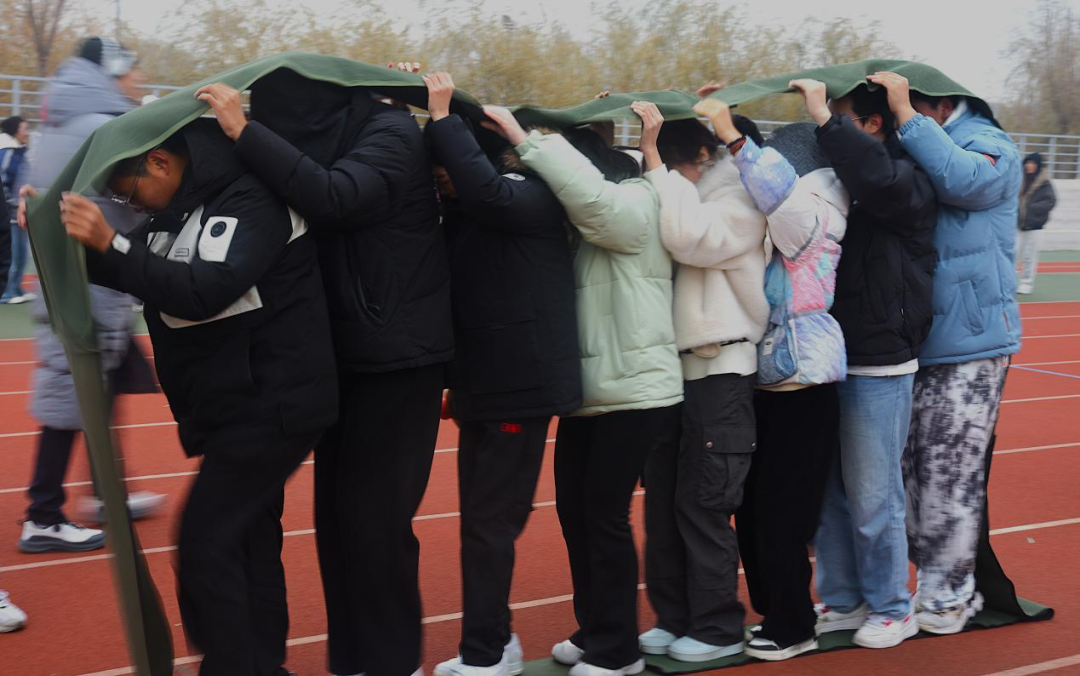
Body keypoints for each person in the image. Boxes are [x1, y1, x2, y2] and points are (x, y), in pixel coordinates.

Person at [49, 118, 338, 675]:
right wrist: (58, 233)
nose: (129, 205)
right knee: (249, 543)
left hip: (275, 402)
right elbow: (137, 269)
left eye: (127, 192)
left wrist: (112, 240)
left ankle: (231, 665)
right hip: (232, 404)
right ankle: (260, 664)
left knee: (206, 544)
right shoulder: (177, 206)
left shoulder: (252, 198)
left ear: (159, 161)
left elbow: (204, 289)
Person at [196, 70, 453, 676]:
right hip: (337, 352)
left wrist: (246, 131)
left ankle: (392, 663)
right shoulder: (320, 137)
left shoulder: (389, 130)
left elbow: (337, 195)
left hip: (400, 357)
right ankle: (355, 660)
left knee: (376, 523)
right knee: (338, 523)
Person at [483, 105, 684, 676]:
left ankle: (619, 652)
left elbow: (598, 206)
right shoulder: (582, 217)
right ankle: (597, 629)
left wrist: (527, 139)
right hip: (592, 389)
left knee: (603, 516)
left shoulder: (637, 200)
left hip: (637, 389)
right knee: (575, 513)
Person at [422, 72, 582, 676]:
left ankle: (488, 653)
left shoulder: (529, 192)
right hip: (484, 387)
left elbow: (488, 193)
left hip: (520, 387)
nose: (440, 175)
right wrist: (409, 103)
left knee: (490, 526)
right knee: (482, 525)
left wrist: (443, 119)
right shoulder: (462, 211)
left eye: (446, 163)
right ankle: (495, 642)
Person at [695, 96, 851, 661]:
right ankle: (775, 612)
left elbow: (776, 189)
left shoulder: (815, 214)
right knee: (755, 506)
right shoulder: (786, 217)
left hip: (805, 382)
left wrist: (733, 135)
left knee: (783, 513)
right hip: (769, 380)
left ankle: (794, 624)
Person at [869, 70, 1022, 635]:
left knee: (949, 470)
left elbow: (964, 181)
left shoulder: (988, 143)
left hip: (973, 339)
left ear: (938, 105)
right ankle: (935, 583)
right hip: (924, 335)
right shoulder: (923, 140)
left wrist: (905, 115)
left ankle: (950, 595)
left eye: (910, 109)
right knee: (914, 469)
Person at [805, 78, 939, 650]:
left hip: (880, 360)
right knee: (829, 493)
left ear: (872, 125)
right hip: (831, 355)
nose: (828, 131)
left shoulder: (907, 177)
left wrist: (824, 118)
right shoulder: (843, 178)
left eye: (842, 121)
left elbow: (880, 180)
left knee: (873, 494)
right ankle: (843, 599)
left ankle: (891, 606)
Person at [632, 101, 767, 663]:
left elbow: (691, 238)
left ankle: (716, 626)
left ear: (706, 156)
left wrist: (657, 168)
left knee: (704, 502)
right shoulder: (685, 190)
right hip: (676, 369)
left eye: (673, 165)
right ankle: (674, 615)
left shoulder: (740, 196)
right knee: (663, 502)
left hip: (722, 367)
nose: (666, 177)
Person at [18, 36, 164, 555]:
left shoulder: (57, 124)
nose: (139, 79)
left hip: (76, 276)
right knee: (72, 392)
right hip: (89, 280)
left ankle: (105, 490)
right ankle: (42, 515)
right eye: (132, 70)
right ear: (112, 71)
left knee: (105, 383)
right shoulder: (102, 126)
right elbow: (132, 201)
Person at [0, 115, 31, 304]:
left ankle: (16, 289)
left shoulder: (17, 151)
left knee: (20, 254)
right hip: (10, 213)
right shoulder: (7, 151)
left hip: (16, 212)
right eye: (24, 129)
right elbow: (4, 181)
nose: (27, 133)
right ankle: (7, 293)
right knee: (12, 254)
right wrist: (13, 204)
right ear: (15, 131)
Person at [1016, 153, 1056, 294]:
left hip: (1035, 226)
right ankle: (1009, 281)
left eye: (1033, 163)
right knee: (1012, 254)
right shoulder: (1018, 179)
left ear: (1038, 165)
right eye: (1027, 163)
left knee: (1029, 256)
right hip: (1017, 225)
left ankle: (1026, 283)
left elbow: (1050, 201)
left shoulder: (1044, 183)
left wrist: (1031, 209)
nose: (1029, 166)